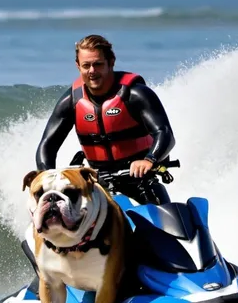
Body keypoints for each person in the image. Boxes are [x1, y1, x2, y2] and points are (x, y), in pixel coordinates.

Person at [35, 34, 175, 204]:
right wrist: (48, 178)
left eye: (98, 64)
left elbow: (165, 134)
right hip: (98, 184)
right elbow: (47, 145)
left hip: (140, 179)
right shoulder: (72, 101)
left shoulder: (136, 95)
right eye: (86, 65)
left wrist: (149, 160)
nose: (92, 71)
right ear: (78, 66)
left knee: (170, 225)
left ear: (111, 62)